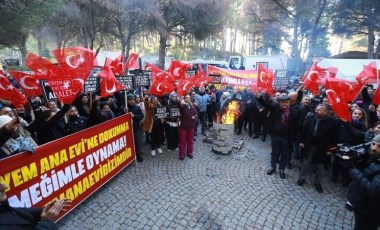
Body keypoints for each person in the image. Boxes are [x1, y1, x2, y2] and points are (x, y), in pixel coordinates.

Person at [296, 104, 340, 193]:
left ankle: (318, 183)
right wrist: (301, 141)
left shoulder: (334, 122)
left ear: (326, 112)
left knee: (319, 167)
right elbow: (304, 130)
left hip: (323, 149)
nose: (316, 111)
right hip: (309, 145)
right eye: (316, 109)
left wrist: (331, 150)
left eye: (319, 110)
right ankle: (302, 178)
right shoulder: (311, 118)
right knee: (305, 163)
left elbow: (336, 138)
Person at [0, 182, 70, 229]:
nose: (4, 187)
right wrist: (47, 221)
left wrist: (44, 210)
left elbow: (22, 212)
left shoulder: (3, 206)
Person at [347, 134, 380, 230]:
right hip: (363, 206)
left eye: (379, 146)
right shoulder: (374, 156)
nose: (374, 148)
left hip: (371, 212)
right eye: (373, 144)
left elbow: (372, 189)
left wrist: (352, 168)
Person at [258, 93, 294, 179]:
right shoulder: (275, 108)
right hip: (275, 135)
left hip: (286, 137)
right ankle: (273, 168)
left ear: (289, 103)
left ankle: (282, 169)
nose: (285, 104)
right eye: (283, 102)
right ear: (279, 103)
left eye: (286, 102)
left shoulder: (293, 111)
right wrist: (259, 98)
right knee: (274, 152)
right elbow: (266, 104)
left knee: (284, 154)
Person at [126, 93, 144, 162]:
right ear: (127, 100)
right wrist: (124, 112)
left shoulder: (137, 107)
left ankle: (138, 155)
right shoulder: (124, 108)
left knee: (137, 142)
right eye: (130, 99)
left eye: (133, 99)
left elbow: (141, 116)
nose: (132, 101)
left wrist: (134, 116)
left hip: (136, 128)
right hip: (127, 129)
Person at [178, 94, 197, 160]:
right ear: (184, 99)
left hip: (191, 126)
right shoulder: (182, 106)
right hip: (184, 126)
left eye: (189, 98)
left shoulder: (192, 105)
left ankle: (189, 152)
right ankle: (182, 154)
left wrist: (195, 116)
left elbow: (195, 113)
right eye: (186, 98)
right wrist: (180, 100)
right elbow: (179, 106)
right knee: (183, 141)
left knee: (190, 141)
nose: (188, 99)